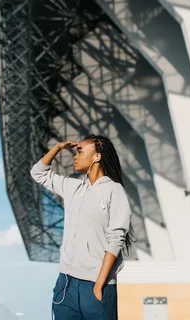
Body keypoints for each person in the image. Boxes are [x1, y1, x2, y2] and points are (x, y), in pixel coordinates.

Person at [30, 134, 133, 320]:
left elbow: (116, 239)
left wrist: (99, 284)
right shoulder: (73, 187)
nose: (75, 156)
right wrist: (58, 147)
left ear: (97, 156)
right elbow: (38, 173)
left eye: (80, 151)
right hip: (65, 284)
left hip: (95, 285)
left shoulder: (114, 191)